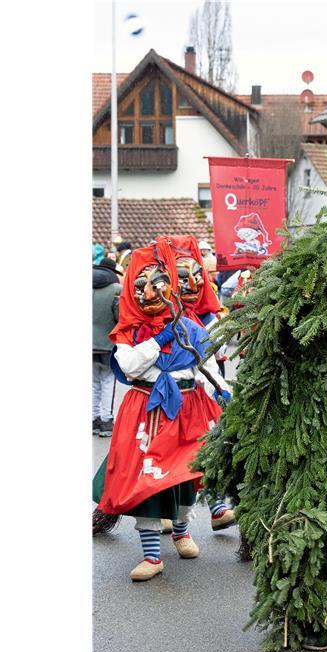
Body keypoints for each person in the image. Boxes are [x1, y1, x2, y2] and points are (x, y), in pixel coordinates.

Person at [92, 240, 232, 581]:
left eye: (158, 284)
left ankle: (182, 532)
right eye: (142, 286)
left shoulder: (191, 327)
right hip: (146, 409)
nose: (150, 292)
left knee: (185, 475)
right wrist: (159, 340)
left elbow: (205, 364)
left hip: (188, 408)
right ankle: (152, 556)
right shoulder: (129, 331)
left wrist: (223, 391)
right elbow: (130, 366)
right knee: (146, 479)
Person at [159, 235, 237, 532]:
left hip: (203, 392)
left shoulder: (209, 315)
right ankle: (165, 510)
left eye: (197, 275)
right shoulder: (158, 314)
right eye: (183, 277)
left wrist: (220, 388)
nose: (192, 284)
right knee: (168, 452)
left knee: (208, 446)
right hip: (166, 395)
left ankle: (217, 506)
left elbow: (210, 358)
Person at [93, 245, 122, 437]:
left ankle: (93, 418)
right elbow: (120, 317)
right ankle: (106, 421)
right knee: (108, 382)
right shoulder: (116, 289)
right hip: (107, 344)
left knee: (93, 382)